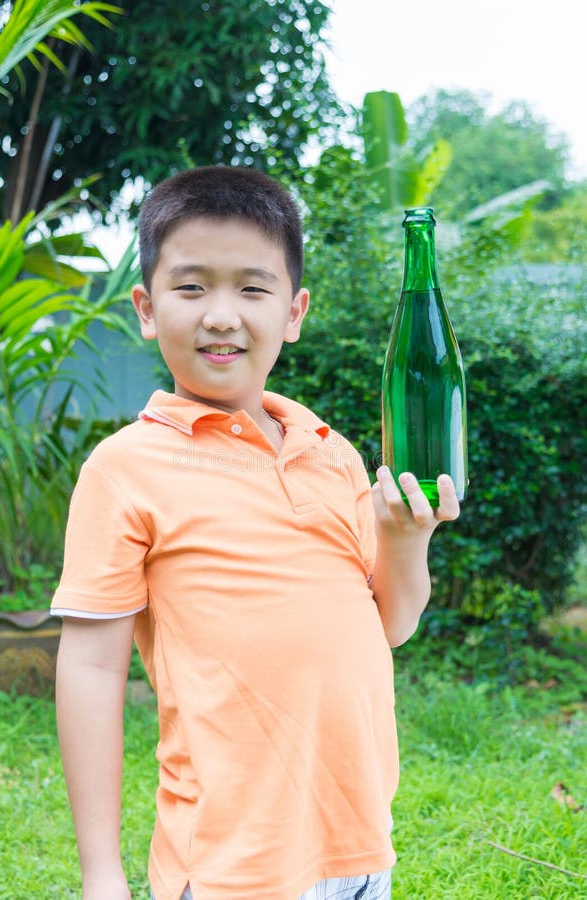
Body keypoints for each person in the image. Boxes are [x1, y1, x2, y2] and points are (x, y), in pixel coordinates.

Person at [52, 165, 460, 900]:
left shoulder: (330, 451)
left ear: (293, 312)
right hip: (229, 864)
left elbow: (389, 626)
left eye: (251, 288)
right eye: (191, 287)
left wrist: (404, 539)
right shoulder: (124, 468)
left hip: (360, 849)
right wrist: (101, 875)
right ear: (146, 308)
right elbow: (91, 669)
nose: (220, 315)